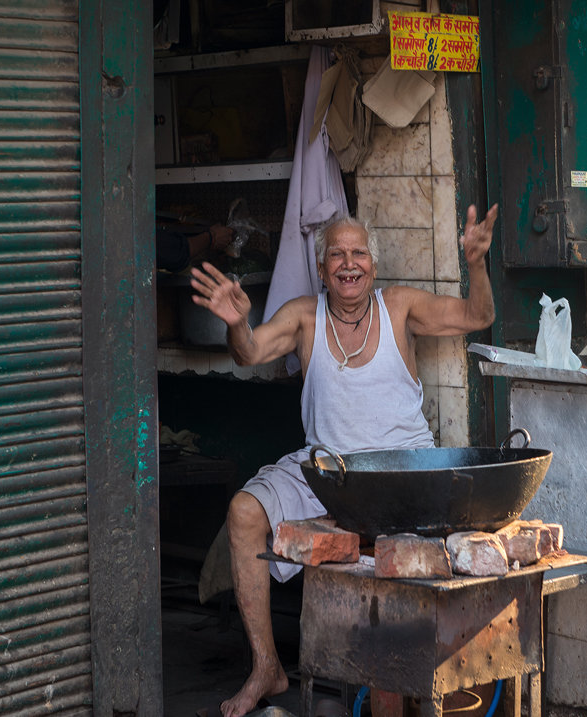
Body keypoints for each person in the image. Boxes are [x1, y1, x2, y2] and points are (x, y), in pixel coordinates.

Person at [188, 203, 499, 717]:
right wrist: (238, 324)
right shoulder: (303, 316)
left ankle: (416, 684)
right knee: (244, 511)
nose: (348, 263)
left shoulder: (399, 306)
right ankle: (266, 666)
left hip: (402, 473)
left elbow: (478, 316)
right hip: (327, 474)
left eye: (358, 253)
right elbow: (248, 352)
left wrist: (478, 263)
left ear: (373, 266)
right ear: (322, 268)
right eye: (337, 254)